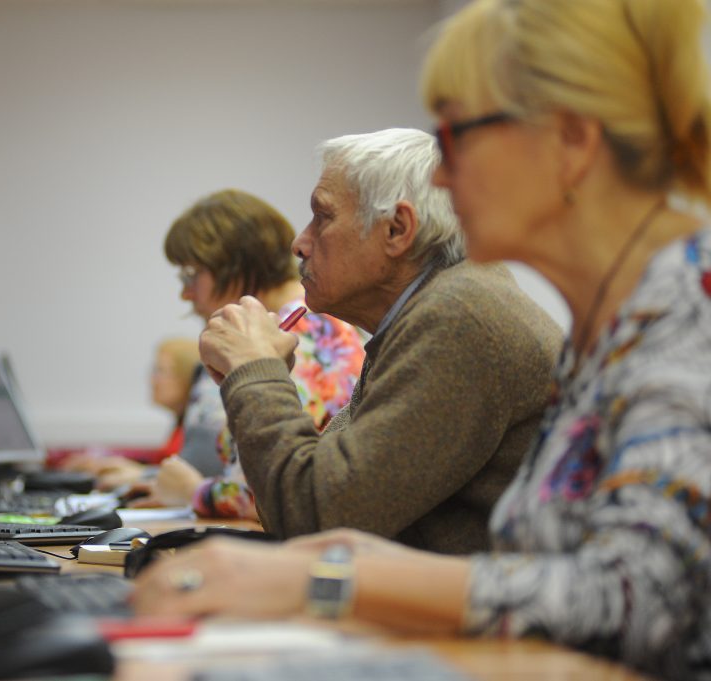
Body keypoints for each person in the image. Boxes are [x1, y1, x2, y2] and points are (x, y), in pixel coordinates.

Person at [133, 1, 711, 678]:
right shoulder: (610, 327)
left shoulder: (684, 315)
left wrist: (332, 576)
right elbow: (545, 569)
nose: (440, 173)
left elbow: (634, 600)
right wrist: (345, 558)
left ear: (573, 141)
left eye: (458, 133)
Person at [191, 129, 562, 551]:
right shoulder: (428, 311)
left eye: (323, 217)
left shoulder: (459, 316)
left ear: (397, 229)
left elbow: (313, 518)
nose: (300, 243)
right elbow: (305, 496)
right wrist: (257, 374)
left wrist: (256, 372)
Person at [129, 188, 366, 515]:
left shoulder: (310, 333)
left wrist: (192, 492)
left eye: (191, 275)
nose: (185, 293)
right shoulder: (285, 325)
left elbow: (277, 491)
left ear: (232, 264)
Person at [55, 337, 201, 481]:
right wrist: (108, 461)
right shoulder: (182, 426)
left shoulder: (194, 433)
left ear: (188, 377)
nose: (152, 380)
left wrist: (135, 472)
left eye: (160, 371)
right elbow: (157, 463)